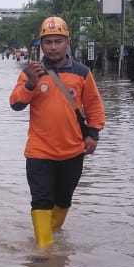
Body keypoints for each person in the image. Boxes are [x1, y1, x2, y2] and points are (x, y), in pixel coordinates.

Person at [9, 16, 106, 248]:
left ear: (67, 43)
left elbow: (94, 105)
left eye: (58, 41)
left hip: (72, 150)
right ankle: (44, 251)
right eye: (48, 42)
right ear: (41, 45)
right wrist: (30, 83)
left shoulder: (82, 72)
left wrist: (93, 134)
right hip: (39, 150)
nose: (53, 47)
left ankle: (51, 235)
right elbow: (15, 104)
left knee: (63, 200)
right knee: (41, 200)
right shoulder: (30, 72)